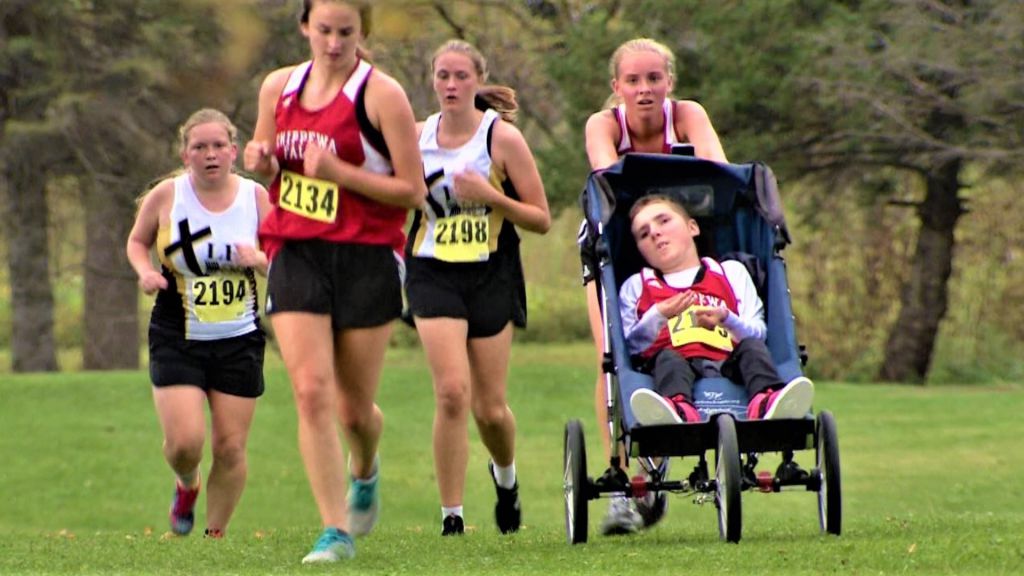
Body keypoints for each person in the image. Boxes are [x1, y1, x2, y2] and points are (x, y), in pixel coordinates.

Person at [243, 0, 426, 564]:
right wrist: (262, 162)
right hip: (295, 248)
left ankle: (365, 469)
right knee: (310, 391)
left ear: (361, 32)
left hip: (367, 256)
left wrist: (341, 172)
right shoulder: (278, 87)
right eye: (322, 30)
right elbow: (273, 166)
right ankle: (334, 529)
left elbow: (413, 191)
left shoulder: (381, 95)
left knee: (354, 410)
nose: (333, 43)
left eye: (345, 32)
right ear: (304, 27)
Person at [580, 37, 728, 535]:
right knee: (610, 357)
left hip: (679, 239)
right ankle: (623, 483)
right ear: (616, 87)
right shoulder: (604, 124)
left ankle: (666, 446)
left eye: (654, 79)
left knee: (689, 335)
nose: (645, 91)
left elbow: (716, 170)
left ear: (669, 83)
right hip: (614, 243)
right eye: (634, 81)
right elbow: (609, 180)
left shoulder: (688, 116)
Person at [406, 39, 551, 537]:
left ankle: (505, 478)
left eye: (460, 76)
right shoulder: (415, 137)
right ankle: (452, 517)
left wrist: (490, 195)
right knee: (450, 393)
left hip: (490, 272)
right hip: (431, 271)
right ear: (433, 81)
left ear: (477, 80)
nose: (450, 85)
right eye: (442, 76)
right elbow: (389, 197)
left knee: (489, 408)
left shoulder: (502, 140)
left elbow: (541, 219)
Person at [126, 108, 272, 539]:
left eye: (218, 146)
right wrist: (145, 272)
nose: (210, 154)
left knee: (230, 447)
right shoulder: (167, 196)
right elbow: (137, 241)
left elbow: (284, 259)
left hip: (239, 338)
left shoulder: (255, 198)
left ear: (233, 150)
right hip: (177, 333)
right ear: (185, 153)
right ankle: (186, 485)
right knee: (186, 443)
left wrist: (260, 260)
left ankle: (213, 538)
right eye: (199, 147)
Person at [620, 194, 814, 427]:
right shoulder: (637, 286)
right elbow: (629, 349)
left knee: (752, 348)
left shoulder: (731, 272)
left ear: (693, 227)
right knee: (668, 359)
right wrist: (658, 315)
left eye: (663, 221)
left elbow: (758, 334)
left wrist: (727, 319)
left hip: (730, 360)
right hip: (672, 365)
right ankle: (678, 408)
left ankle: (767, 401)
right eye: (643, 233)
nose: (654, 232)